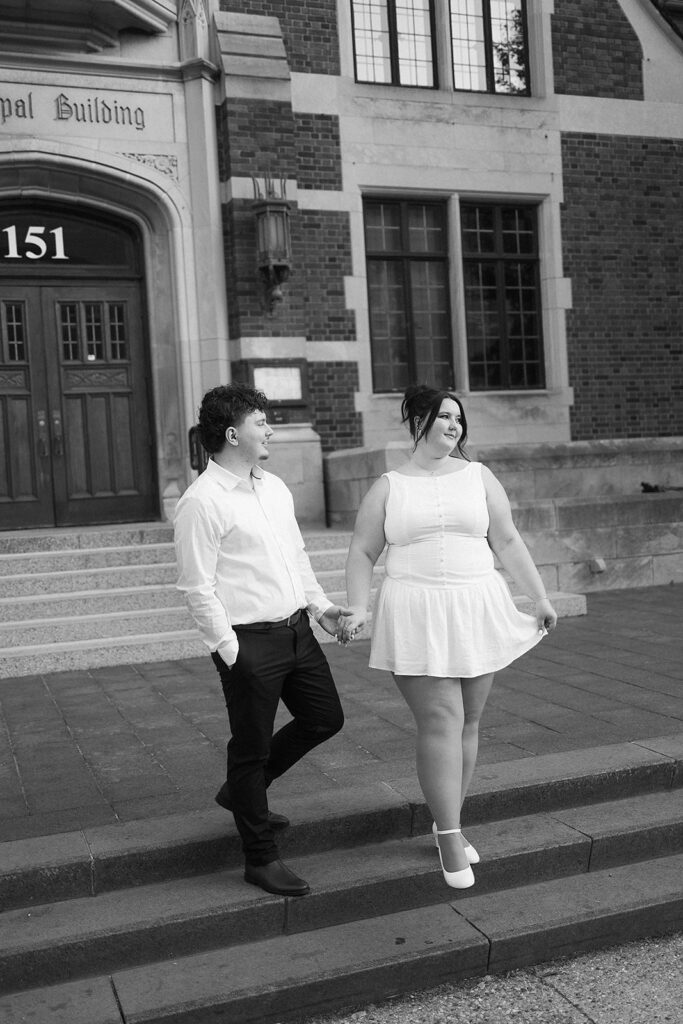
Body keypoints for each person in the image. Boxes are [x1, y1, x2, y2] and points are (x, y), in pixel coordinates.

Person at [342, 384, 557, 890]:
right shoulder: (389, 486)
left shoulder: (480, 477)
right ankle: (449, 837)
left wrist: (539, 597)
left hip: (475, 604)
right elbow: (361, 551)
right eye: (443, 416)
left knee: (470, 722)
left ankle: (448, 820)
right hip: (415, 609)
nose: (454, 425)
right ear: (417, 421)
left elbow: (506, 539)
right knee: (442, 719)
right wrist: (358, 606)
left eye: (459, 418)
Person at [174, 383, 348, 898]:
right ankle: (259, 857)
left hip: (297, 630)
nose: (270, 429)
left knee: (325, 718)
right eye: (261, 422)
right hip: (249, 642)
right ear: (233, 434)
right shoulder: (201, 503)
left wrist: (322, 610)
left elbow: (296, 558)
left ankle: (241, 795)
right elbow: (196, 588)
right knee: (249, 750)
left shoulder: (273, 487)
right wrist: (232, 654)